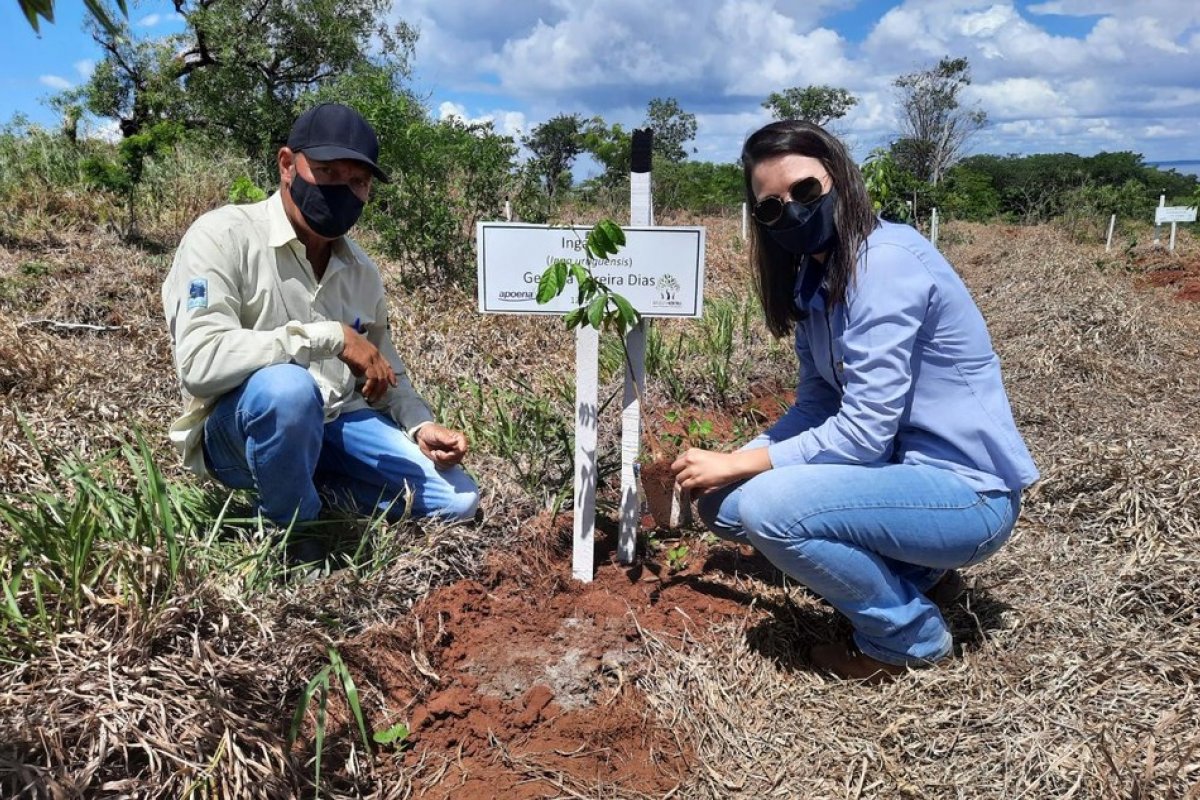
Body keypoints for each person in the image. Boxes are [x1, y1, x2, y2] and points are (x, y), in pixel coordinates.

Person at [673, 120, 1038, 682]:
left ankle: (906, 638)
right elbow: (818, 404)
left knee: (769, 508)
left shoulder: (882, 262)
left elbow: (864, 435)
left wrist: (743, 462)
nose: (790, 212)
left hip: (968, 493)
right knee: (724, 502)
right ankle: (914, 570)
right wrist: (735, 461)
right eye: (770, 208)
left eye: (804, 191)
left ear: (839, 178)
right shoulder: (815, 282)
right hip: (901, 476)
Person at [162, 103, 479, 560]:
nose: (343, 192)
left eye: (357, 182)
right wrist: (327, 336)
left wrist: (420, 423)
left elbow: (385, 365)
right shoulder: (222, 237)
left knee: (458, 500)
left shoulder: (360, 270)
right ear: (288, 164)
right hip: (242, 434)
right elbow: (200, 362)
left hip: (337, 420)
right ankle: (294, 534)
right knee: (287, 390)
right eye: (328, 172)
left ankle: (312, 489)